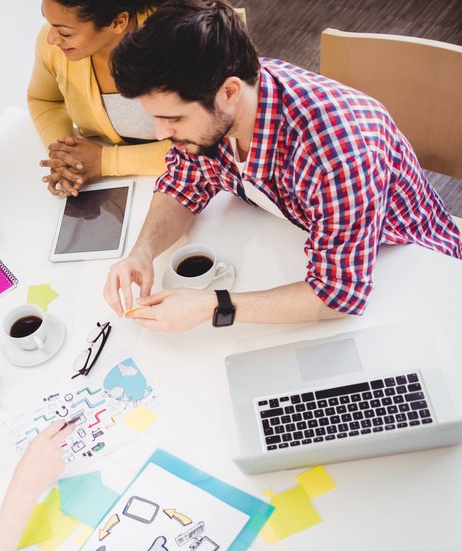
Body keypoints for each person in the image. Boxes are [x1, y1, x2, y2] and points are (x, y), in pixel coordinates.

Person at [102, 0, 461, 333]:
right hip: (305, 235)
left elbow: (338, 295)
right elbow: (184, 181)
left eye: (173, 119)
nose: (161, 133)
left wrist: (213, 306)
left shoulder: (341, 154)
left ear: (229, 93)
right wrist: (142, 253)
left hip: (411, 266)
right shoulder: (221, 106)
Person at [28, 0, 171, 197]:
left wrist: (106, 161)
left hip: (181, 186)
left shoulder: (179, 41)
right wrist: (65, 157)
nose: (51, 38)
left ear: (118, 22)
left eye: (65, 33)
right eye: (48, 22)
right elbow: (44, 99)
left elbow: (208, 143)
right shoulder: (56, 48)